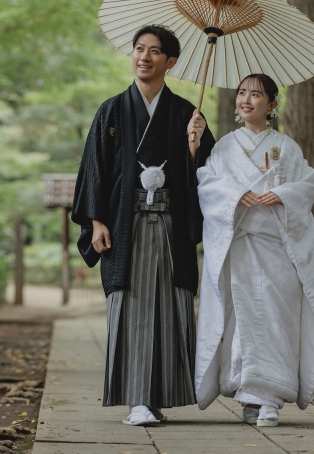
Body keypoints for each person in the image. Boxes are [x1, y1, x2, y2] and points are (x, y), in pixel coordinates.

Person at [72, 24, 216, 426]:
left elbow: (210, 176)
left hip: (170, 225)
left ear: (171, 61)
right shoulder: (112, 110)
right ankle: (137, 399)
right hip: (124, 223)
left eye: (155, 51)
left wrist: (193, 148)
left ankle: (161, 396)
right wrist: (97, 220)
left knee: (171, 306)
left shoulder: (189, 114)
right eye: (139, 49)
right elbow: (94, 168)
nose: (144, 57)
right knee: (131, 306)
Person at [193, 73, 314, 427]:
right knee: (243, 320)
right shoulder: (222, 147)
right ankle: (250, 396)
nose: (246, 99)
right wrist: (236, 195)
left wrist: (282, 195)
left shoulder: (287, 147)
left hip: (277, 251)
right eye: (241, 93)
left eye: (256, 94)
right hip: (239, 248)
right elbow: (207, 184)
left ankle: (269, 397)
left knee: (275, 319)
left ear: (271, 103)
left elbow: (307, 185)